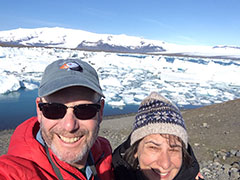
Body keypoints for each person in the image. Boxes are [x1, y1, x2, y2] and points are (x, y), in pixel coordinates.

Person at [0, 59, 113, 180]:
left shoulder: (103, 152)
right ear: (39, 111)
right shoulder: (15, 172)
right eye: (54, 109)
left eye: (85, 110)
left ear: (100, 111)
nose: (69, 126)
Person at [112, 92, 204, 180]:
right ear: (135, 150)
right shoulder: (109, 175)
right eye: (153, 148)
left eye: (174, 149)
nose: (165, 164)